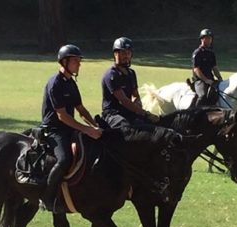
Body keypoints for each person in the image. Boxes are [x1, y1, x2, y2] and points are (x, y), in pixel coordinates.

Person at [40, 44, 102, 213]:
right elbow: (62, 115)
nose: (79, 64)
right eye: (75, 61)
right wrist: (86, 130)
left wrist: (95, 125)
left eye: (78, 61)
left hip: (69, 128)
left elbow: (80, 110)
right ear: (64, 62)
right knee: (64, 159)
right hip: (54, 130)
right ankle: (46, 197)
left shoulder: (71, 83)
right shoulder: (55, 83)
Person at [101, 37, 159, 128]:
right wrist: (145, 113)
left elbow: (135, 95)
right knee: (126, 127)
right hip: (112, 114)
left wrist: (138, 104)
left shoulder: (131, 73)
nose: (126, 56)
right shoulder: (111, 75)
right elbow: (123, 100)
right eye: (123, 53)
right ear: (116, 54)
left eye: (129, 53)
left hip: (128, 111)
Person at [191, 28, 223, 106]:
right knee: (203, 96)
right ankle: (194, 114)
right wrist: (206, 80)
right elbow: (196, 69)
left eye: (210, 38)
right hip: (200, 81)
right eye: (207, 38)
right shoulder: (197, 52)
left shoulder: (211, 53)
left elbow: (214, 67)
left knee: (218, 95)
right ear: (202, 39)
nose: (209, 40)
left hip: (211, 79)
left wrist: (219, 78)